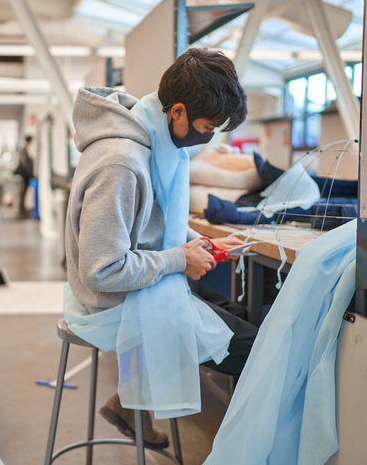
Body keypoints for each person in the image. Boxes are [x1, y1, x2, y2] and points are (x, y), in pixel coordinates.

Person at [64, 47, 258, 449]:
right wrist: (177, 260)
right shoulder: (120, 162)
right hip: (110, 299)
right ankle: (245, 449)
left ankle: (128, 403)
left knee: (237, 314)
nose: (208, 136)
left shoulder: (152, 136)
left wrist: (197, 243)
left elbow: (150, 222)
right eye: (208, 126)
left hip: (135, 285)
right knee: (254, 346)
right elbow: (101, 270)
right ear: (178, 112)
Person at [14, 135, 34, 219]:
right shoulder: (24, 150)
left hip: (26, 175)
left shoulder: (25, 150)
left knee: (24, 193)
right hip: (25, 175)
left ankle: (22, 209)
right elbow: (24, 164)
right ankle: (21, 210)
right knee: (23, 192)